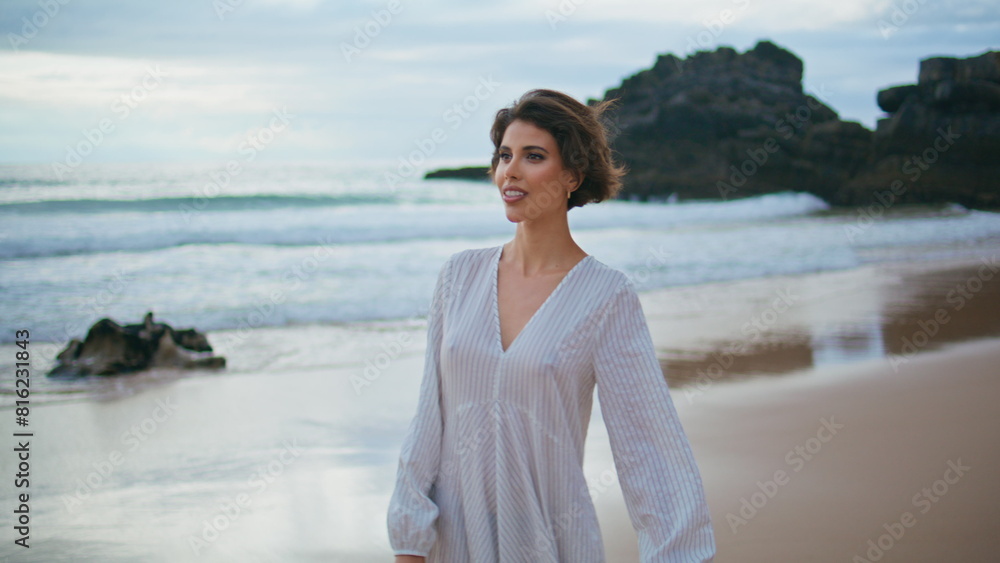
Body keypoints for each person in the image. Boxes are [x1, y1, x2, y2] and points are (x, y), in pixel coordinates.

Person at [387, 89, 716, 562]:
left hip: (550, 544)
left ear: (572, 176)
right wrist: (409, 535)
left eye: (533, 156)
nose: (510, 171)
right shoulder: (458, 277)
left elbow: (649, 446)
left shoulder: (606, 296)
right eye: (504, 155)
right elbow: (428, 420)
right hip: (453, 545)